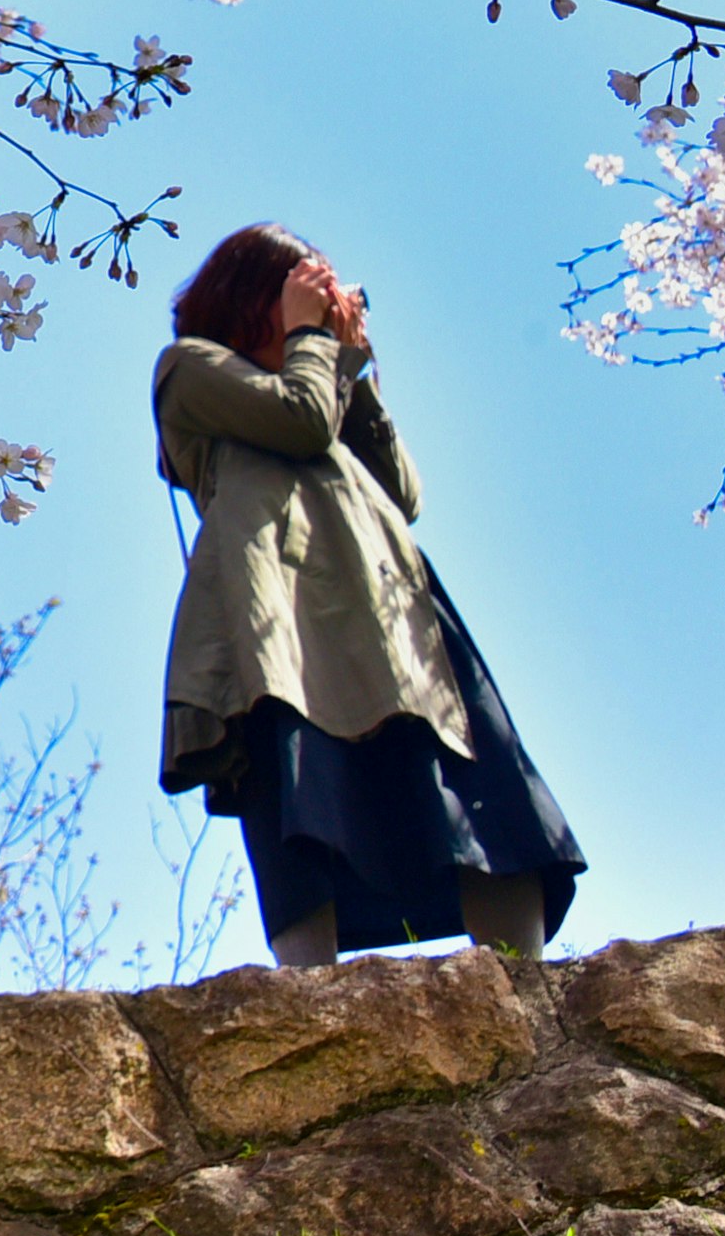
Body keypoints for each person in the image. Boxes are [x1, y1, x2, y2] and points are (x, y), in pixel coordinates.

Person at [154, 223, 585, 967]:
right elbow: (300, 422)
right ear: (250, 298)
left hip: (390, 613)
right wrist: (312, 345)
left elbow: (402, 493)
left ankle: (525, 986)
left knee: (474, 788)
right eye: (300, 298)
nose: (318, 315)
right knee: (301, 804)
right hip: (280, 623)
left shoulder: (318, 372)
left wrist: (351, 361)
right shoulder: (190, 368)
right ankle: (310, 998)